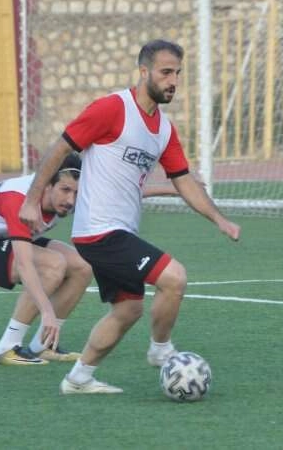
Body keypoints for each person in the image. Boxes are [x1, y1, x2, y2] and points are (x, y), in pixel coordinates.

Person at [19, 39, 241, 394]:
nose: (173, 81)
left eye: (177, 74)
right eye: (166, 72)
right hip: (99, 231)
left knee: (127, 310)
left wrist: (219, 219)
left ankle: (79, 378)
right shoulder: (112, 108)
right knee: (175, 277)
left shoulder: (164, 129)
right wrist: (32, 200)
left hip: (118, 232)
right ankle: (161, 349)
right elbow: (61, 148)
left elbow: (183, 179)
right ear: (143, 71)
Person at [0, 154, 90, 366]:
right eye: (65, 190)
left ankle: (43, 345)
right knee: (53, 265)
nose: (71, 200)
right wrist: (47, 312)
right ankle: (6, 348)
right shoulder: (19, 200)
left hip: (4, 237)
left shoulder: (63, 197)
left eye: (76, 193)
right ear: (47, 185)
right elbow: (25, 265)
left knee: (82, 266)